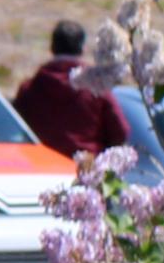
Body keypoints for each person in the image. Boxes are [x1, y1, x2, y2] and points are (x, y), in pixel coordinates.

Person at [11, 18, 129, 161]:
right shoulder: (96, 88)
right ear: (81, 48)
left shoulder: (30, 89)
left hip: (41, 167)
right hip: (85, 169)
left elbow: (13, 128)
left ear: (52, 47)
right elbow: (121, 132)